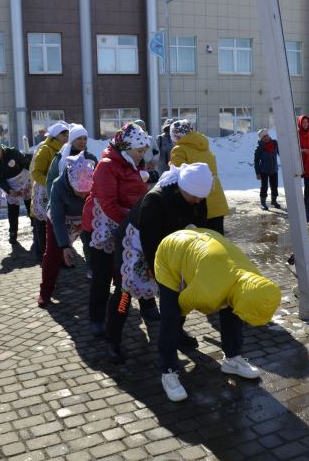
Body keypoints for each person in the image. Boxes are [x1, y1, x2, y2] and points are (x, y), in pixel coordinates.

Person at [154, 228, 281, 401]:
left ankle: (232, 358)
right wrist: (175, 328)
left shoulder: (255, 280)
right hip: (170, 253)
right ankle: (168, 370)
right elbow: (181, 304)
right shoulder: (208, 293)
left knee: (233, 308)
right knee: (171, 316)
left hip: (207, 250)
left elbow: (240, 304)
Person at [105, 163, 213, 363]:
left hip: (171, 244)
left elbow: (201, 227)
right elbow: (150, 241)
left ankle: (176, 331)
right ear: (183, 188)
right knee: (124, 293)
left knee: (181, 290)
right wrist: (156, 272)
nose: (198, 200)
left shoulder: (198, 197)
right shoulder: (155, 200)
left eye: (202, 197)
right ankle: (113, 339)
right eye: (195, 196)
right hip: (136, 244)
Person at [81, 123, 152, 336]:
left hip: (126, 228)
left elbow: (137, 195)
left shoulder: (134, 164)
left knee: (125, 280)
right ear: (126, 147)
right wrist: (135, 219)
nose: (142, 155)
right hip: (101, 231)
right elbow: (109, 204)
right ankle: (97, 318)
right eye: (139, 150)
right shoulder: (107, 165)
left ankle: (123, 311)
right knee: (102, 278)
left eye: (144, 151)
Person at [38, 152, 95, 308]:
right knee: (52, 254)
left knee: (98, 248)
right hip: (60, 218)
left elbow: (98, 207)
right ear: (71, 182)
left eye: (86, 193)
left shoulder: (94, 181)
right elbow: (56, 218)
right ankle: (45, 292)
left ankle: (103, 288)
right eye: (79, 192)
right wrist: (64, 246)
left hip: (85, 216)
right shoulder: (58, 185)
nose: (84, 196)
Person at [170, 119, 230, 235]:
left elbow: (176, 176)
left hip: (198, 203)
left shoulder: (179, 150)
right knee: (216, 244)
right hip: (217, 201)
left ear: (175, 136)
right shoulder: (205, 147)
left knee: (199, 245)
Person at [30, 121, 68, 262]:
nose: (66, 137)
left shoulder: (66, 149)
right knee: (42, 224)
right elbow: (36, 172)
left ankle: (59, 256)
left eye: (67, 134)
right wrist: (50, 183)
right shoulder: (45, 149)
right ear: (55, 135)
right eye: (63, 135)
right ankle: (43, 255)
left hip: (59, 190)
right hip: (44, 191)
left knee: (57, 224)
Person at [0, 141, 32, 244]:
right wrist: (9, 190)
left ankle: (36, 227)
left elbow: (26, 163)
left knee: (30, 205)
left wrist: (34, 175)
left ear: (0, 147)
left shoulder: (12, 152)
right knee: (12, 211)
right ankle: (13, 232)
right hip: (11, 186)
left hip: (25, 179)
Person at [254, 129, 280, 210]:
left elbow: (280, 153)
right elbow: (256, 161)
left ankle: (274, 201)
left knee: (274, 186)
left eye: (267, 135)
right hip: (264, 170)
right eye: (264, 136)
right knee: (264, 187)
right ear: (261, 138)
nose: (266, 137)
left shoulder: (275, 143)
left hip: (274, 169)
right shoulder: (259, 147)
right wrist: (257, 173)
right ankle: (263, 203)